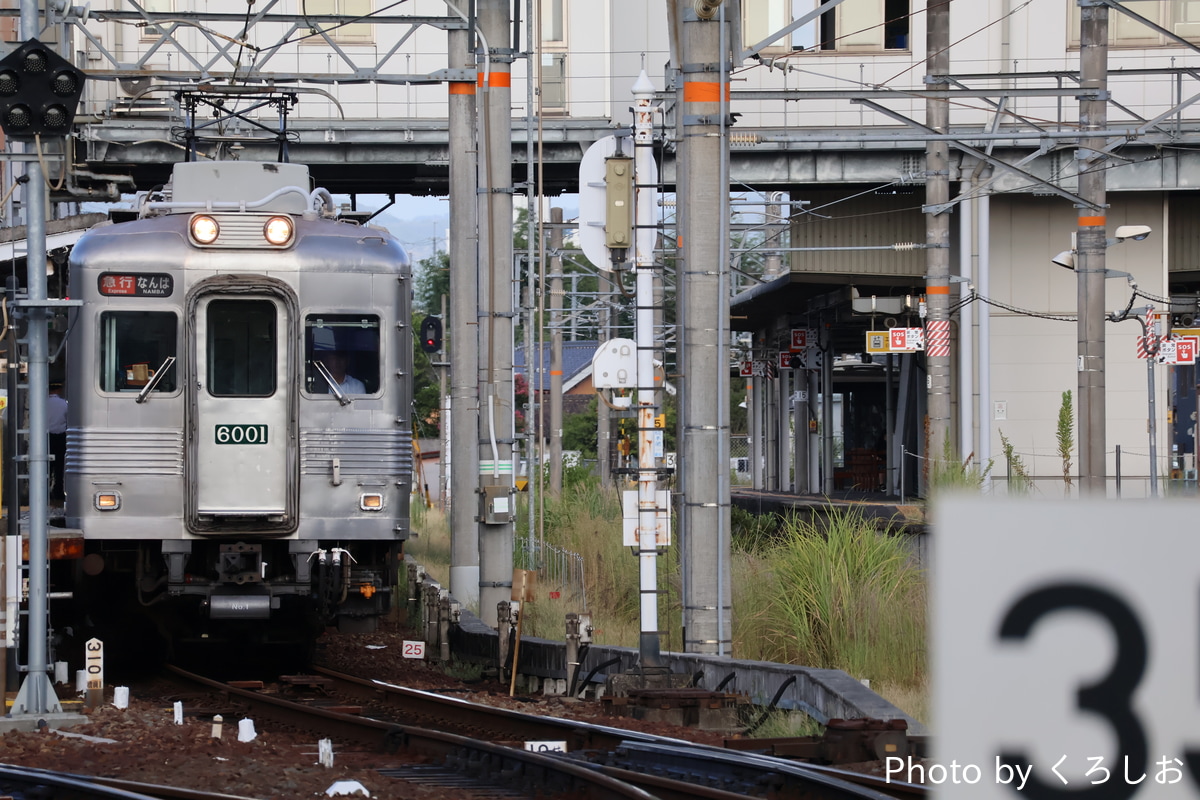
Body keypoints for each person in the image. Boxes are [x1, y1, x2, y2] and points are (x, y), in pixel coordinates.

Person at [47, 383, 67, 506]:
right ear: (58, 390)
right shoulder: (64, 404)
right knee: (59, 466)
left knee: (46, 466)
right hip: (60, 437)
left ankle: (44, 491)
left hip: (45, 437)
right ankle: (58, 490)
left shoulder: (41, 403)